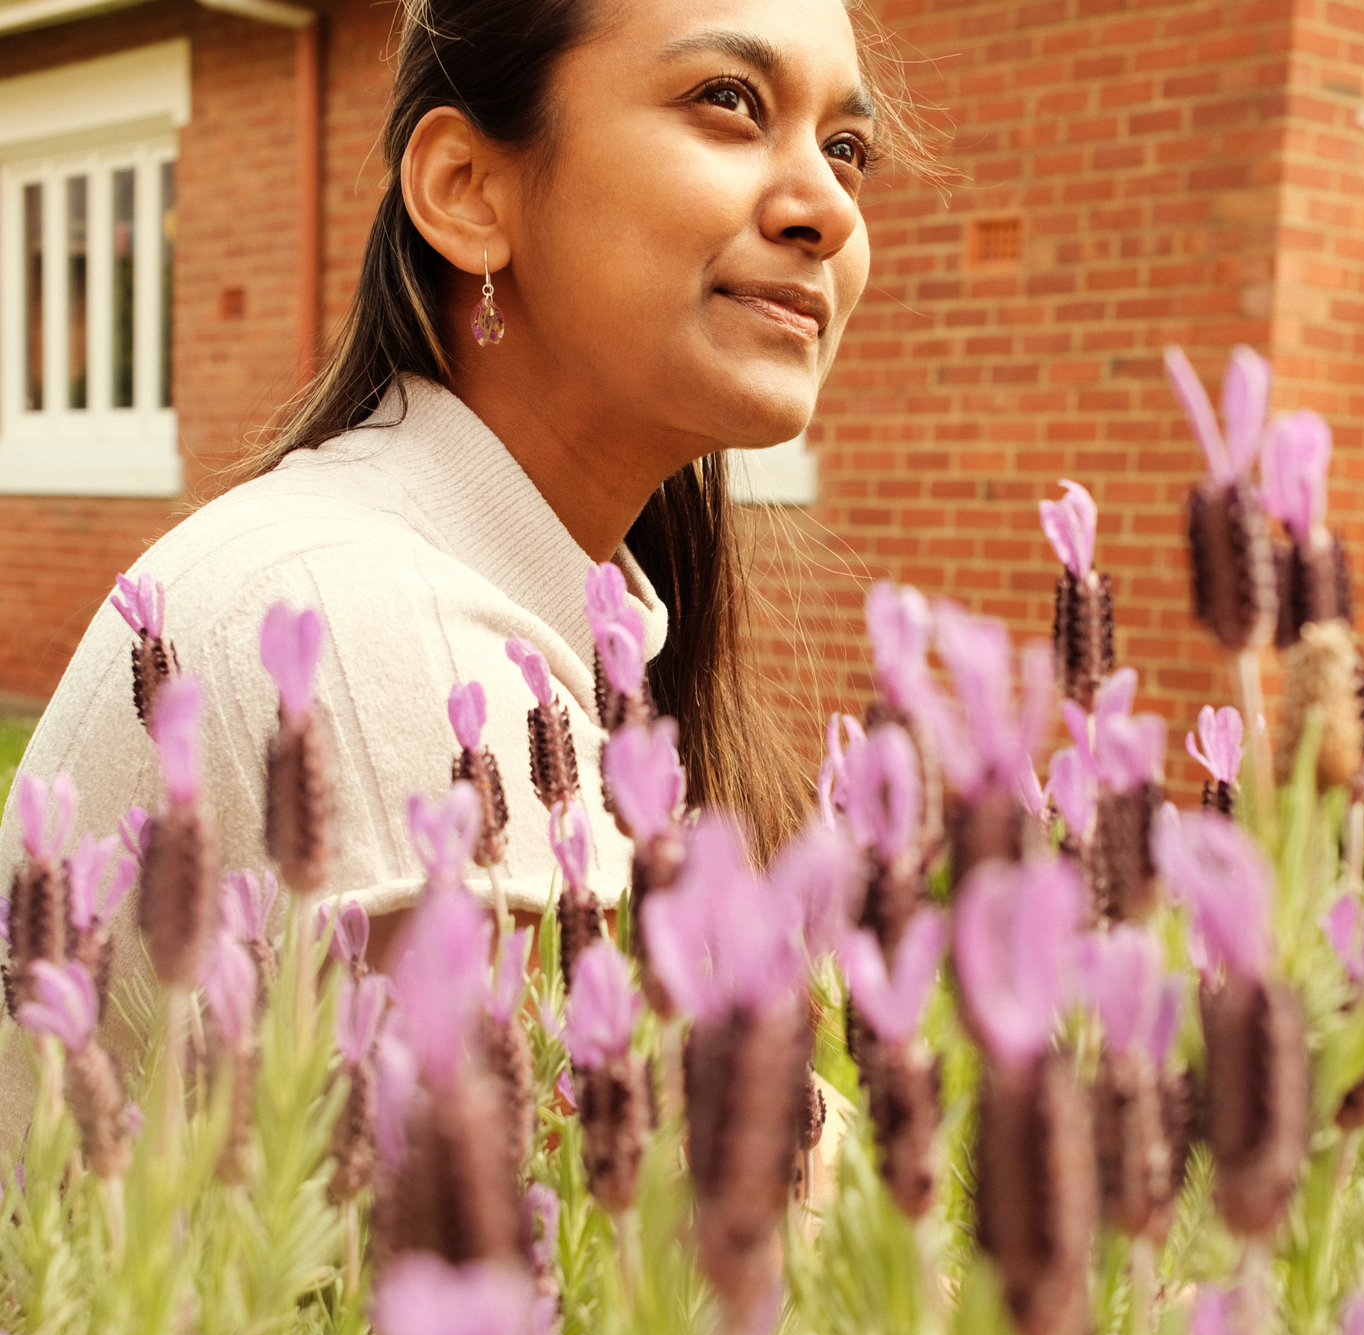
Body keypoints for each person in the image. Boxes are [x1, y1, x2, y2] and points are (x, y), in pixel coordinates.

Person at [0, 0, 889, 1136]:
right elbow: (610, 1264)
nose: (825, 210)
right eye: (727, 101)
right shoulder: (376, 629)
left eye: (846, 148)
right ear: (466, 189)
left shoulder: (494, 584)